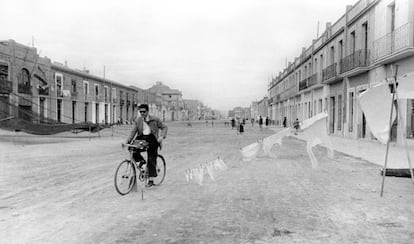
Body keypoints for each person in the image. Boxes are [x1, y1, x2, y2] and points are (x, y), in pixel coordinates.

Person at [125, 104, 168, 187]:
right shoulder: (138, 120)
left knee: (151, 157)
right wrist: (128, 140)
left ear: (147, 111)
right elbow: (133, 131)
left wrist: (161, 137)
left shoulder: (154, 119)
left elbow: (164, 127)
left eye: (144, 112)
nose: (142, 113)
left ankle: (151, 179)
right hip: (142, 138)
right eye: (140, 112)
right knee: (131, 149)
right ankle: (142, 162)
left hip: (152, 138)